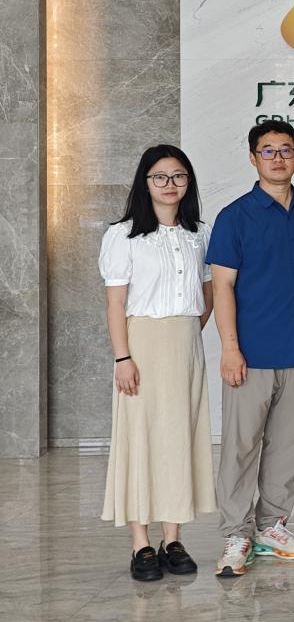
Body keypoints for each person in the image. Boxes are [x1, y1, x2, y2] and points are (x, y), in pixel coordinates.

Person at [207, 119, 294, 578]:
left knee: (289, 446)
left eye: (286, 149)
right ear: (252, 158)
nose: (278, 158)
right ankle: (236, 534)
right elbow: (222, 287)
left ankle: (271, 526)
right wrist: (229, 349)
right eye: (268, 150)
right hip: (251, 353)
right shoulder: (234, 217)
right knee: (240, 448)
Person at [99, 145, 215, 581]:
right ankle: (141, 544)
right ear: (145, 183)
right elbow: (116, 303)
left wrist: (187, 333)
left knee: (179, 438)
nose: (170, 184)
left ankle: (173, 538)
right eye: (160, 177)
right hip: (141, 345)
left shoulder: (199, 233)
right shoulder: (124, 234)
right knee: (141, 439)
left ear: (189, 182)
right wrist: (123, 356)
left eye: (179, 176)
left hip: (185, 346)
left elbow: (207, 294)